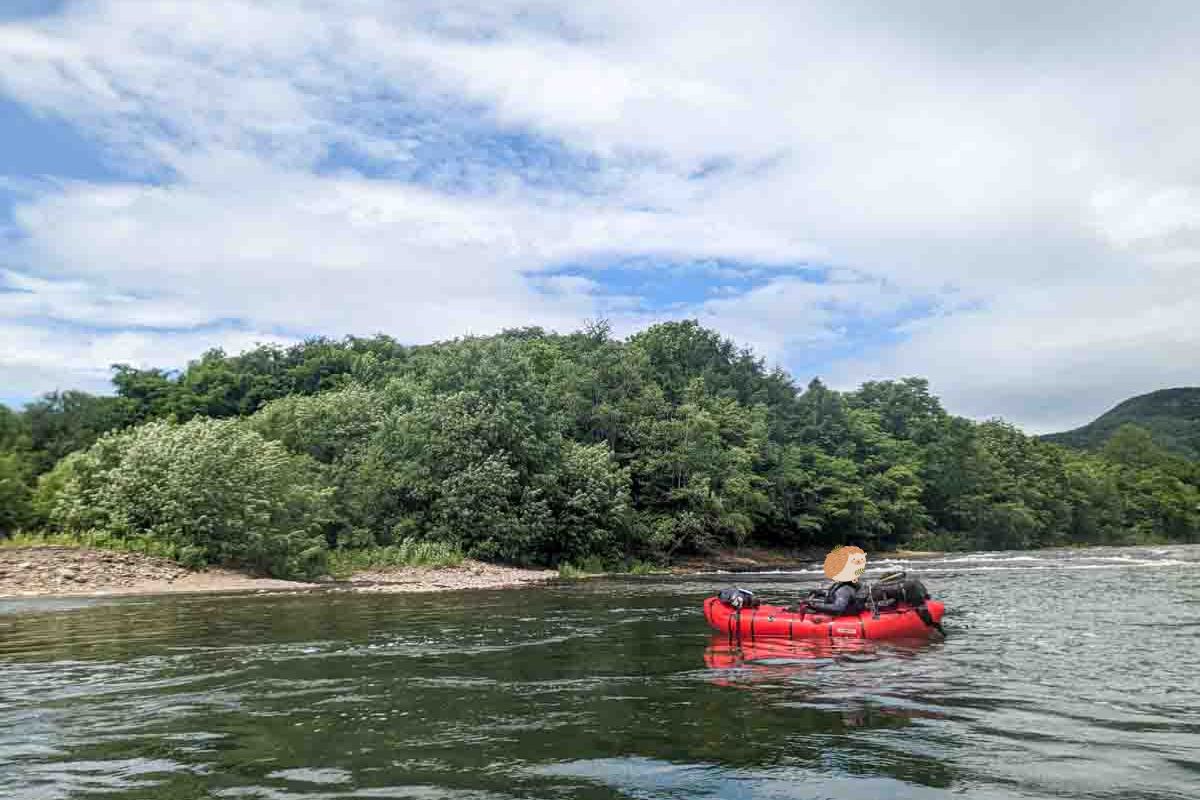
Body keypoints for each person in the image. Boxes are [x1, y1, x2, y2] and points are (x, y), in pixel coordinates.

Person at [802, 545, 867, 616]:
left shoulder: (845, 589)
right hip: (848, 606)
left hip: (846, 616)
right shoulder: (844, 583)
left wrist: (813, 606)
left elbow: (838, 608)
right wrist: (821, 593)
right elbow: (835, 596)